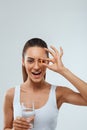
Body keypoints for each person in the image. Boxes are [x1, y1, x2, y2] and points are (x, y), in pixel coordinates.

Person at [3, 38, 87, 130]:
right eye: (30, 61)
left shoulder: (57, 93)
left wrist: (63, 70)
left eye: (41, 61)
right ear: (23, 61)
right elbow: (6, 127)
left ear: (47, 62)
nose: (36, 67)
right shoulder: (11, 94)